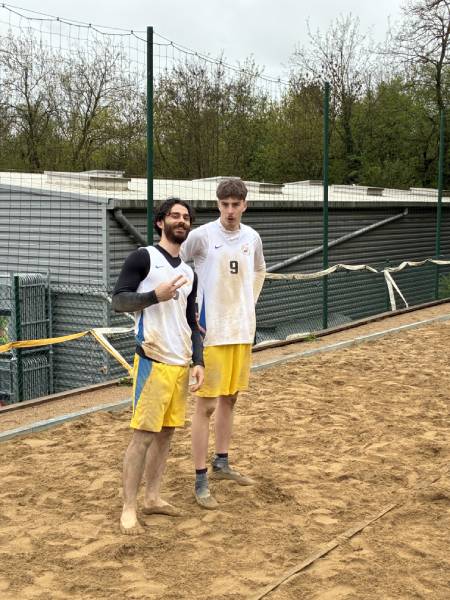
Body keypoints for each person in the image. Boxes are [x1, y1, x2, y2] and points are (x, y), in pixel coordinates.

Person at [112, 198, 204, 534]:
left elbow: (191, 322)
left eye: (186, 217)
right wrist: (154, 295)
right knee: (143, 436)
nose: (181, 221)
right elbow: (119, 301)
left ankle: (152, 497)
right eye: (174, 215)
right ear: (160, 222)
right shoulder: (143, 258)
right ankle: (129, 507)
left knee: (166, 434)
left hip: (180, 364)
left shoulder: (189, 272)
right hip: (153, 360)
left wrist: (198, 361)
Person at [180, 178, 266, 509]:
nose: (230, 210)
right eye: (225, 204)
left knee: (230, 398)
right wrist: (189, 308)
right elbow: (175, 261)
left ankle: (222, 461)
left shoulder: (252, 237)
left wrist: (248, 304)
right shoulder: (202, 236)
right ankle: (200, 478)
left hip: (241, 331)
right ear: (218, 204)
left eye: (236, 204)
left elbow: (259, 271)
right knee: (206, 406)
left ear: (245, 205)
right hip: (212, 334)